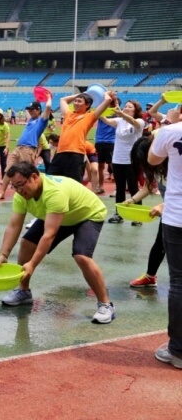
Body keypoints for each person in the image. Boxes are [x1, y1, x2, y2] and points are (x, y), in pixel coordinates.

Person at [0, 162, 115, 324]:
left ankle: (105, 305)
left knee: (81, 256)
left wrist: (32, 264)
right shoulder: (22, 195)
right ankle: (23, 292)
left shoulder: (54, 193)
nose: (18, 190)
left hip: (87, 214)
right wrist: (4, 254)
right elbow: (14, 225)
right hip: (59, 215)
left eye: (20, 185)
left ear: (34, 177)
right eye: (14, 186)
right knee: (27, 243)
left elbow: (49, 234)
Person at [147, 117, 182, 369]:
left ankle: (178, 350)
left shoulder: (170, 131)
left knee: (179, 283)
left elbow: (152, 160)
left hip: (178, 215)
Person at [126, 136, 168, 288]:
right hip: (171, 210)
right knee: (160, 243)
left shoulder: (174, 162)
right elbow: (148, 188)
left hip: (174, 207)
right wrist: (132, 200)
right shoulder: (153, 168)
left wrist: (163, 205)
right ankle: (150, 276)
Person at [48, 91, 113, 183]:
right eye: (75, 101)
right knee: (52, 181)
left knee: (74, 184)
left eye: (79, 101)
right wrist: (82, 93)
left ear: (87, 105)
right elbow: (63, 100)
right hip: (60, 153)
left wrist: (106, 93)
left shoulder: (90, 116)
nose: (75, 103)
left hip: (76, 154)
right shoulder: (68, 114)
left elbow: (108, 100)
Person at [101, 100, 145, 225]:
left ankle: (138, 215)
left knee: (133, 188)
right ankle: (118, 214)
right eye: (125, 106)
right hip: (117, 159)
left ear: (135, 110)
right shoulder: (120, 121)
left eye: (129, 106)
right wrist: (98, 112)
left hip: (131, 160)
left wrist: (121, 114)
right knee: (119, 188)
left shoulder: (140, 122)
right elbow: (107, 121)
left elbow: (134, 122)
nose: (126, 108)